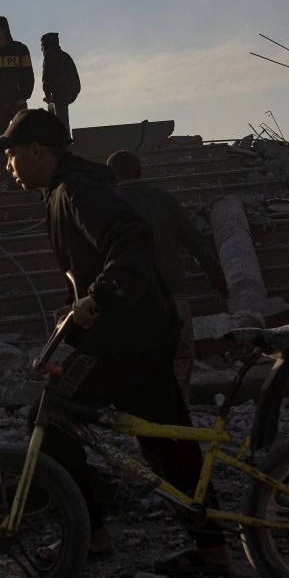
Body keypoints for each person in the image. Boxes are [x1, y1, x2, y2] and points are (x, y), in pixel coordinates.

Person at [0, 109, 229, 577]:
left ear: (37, 150)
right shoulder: (64, 189)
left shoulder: (79, 188)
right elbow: (93, 261)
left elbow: (131, 237)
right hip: (142, 334)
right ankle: (213, 550)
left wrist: (101, 297)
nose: (8, 163)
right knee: (166, 441)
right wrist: (79, 304)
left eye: (12, 153)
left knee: (54, 418)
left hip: (125, 340)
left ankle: (90, 536)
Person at [106, 150, 228, 397]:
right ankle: (177, 414)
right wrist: (217, 280)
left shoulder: (107, 206)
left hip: (129, 300)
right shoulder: (165, 200)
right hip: (172, 296)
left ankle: (147, 421)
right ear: (140, 171)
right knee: (181, 357)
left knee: (137, 359)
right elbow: (196, 243)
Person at [0, 16, 33, 184]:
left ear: (4, 29)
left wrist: (24, 95)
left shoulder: (21, 49)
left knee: (22, 139)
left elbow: (28, 74)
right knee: (2, 142)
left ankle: (26, 173)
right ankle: (5, 178)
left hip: (17, 103)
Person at [41, 32, 81, 131]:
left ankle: (64, 140)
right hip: (71, 91)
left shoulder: (49, 55)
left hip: (60, 93)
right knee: (62, 117)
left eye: (41, 46)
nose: (41, 49)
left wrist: (47, 94)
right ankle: (65, 137)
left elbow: (47, 75)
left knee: (59, 119)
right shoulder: (65, 55)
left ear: (45, 45)